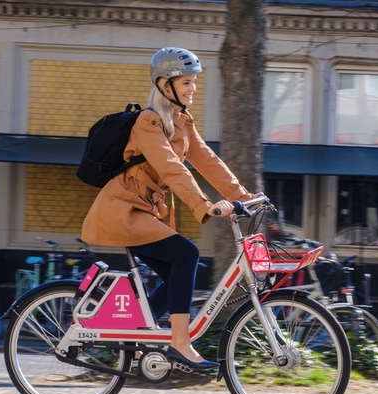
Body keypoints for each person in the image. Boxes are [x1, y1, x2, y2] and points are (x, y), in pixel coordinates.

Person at [81, 47, 255, 371]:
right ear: (165, 84)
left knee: (178, 273)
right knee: (186, 255)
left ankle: (132, 334)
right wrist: (205, 205)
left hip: (145, 212)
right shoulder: (148, 122)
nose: (193, 89)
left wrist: (243, 196)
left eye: (194, 82)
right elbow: (173, 168)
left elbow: (209, 162)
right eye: (186, 82)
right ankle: (179, 343)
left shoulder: (182, 122)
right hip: (124, 210)